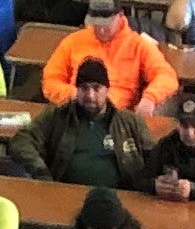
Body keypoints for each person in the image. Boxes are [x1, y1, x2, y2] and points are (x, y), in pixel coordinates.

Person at [17, 59, 161, 192]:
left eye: (96, 88)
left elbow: (155, 156)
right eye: (84, 88)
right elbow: (22, 139)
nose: (90, 95)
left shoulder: (130, 122)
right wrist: (41, 171)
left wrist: (152, 183)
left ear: (107, 90)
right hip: (65, 194)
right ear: (77, 90)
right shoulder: (58, 116)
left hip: (120, 196)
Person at [40, 0, 169, 119]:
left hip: (117, 118)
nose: (101, 30)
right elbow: (50, 79)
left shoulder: (138, 45)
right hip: (74, 113)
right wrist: (75, 94)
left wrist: (150, 98)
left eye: (107, 25)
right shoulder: (73, 41)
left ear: (120, 16)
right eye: (97, 25)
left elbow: (165, 75)